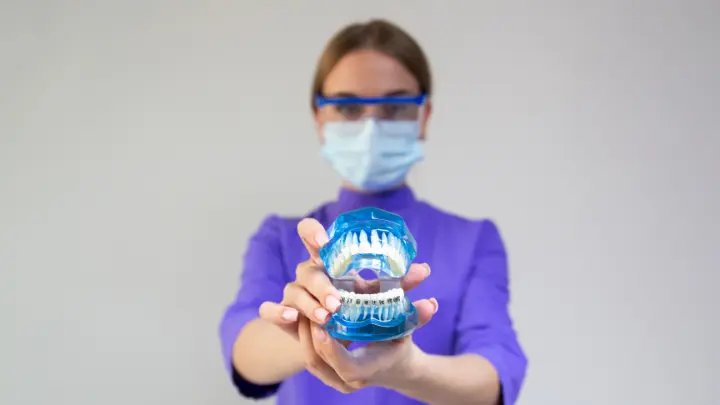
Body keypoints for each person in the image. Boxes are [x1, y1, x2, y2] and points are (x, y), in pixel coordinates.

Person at [218, 18, 528, 405]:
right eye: (348, 107)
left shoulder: (474, 241)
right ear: (319, 117)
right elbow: (244, 355)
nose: (371, 127)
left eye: (395, 107)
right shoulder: (280, 238)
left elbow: (496, 374)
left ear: (423, 117)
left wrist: (410, 369)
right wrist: (314, 328)